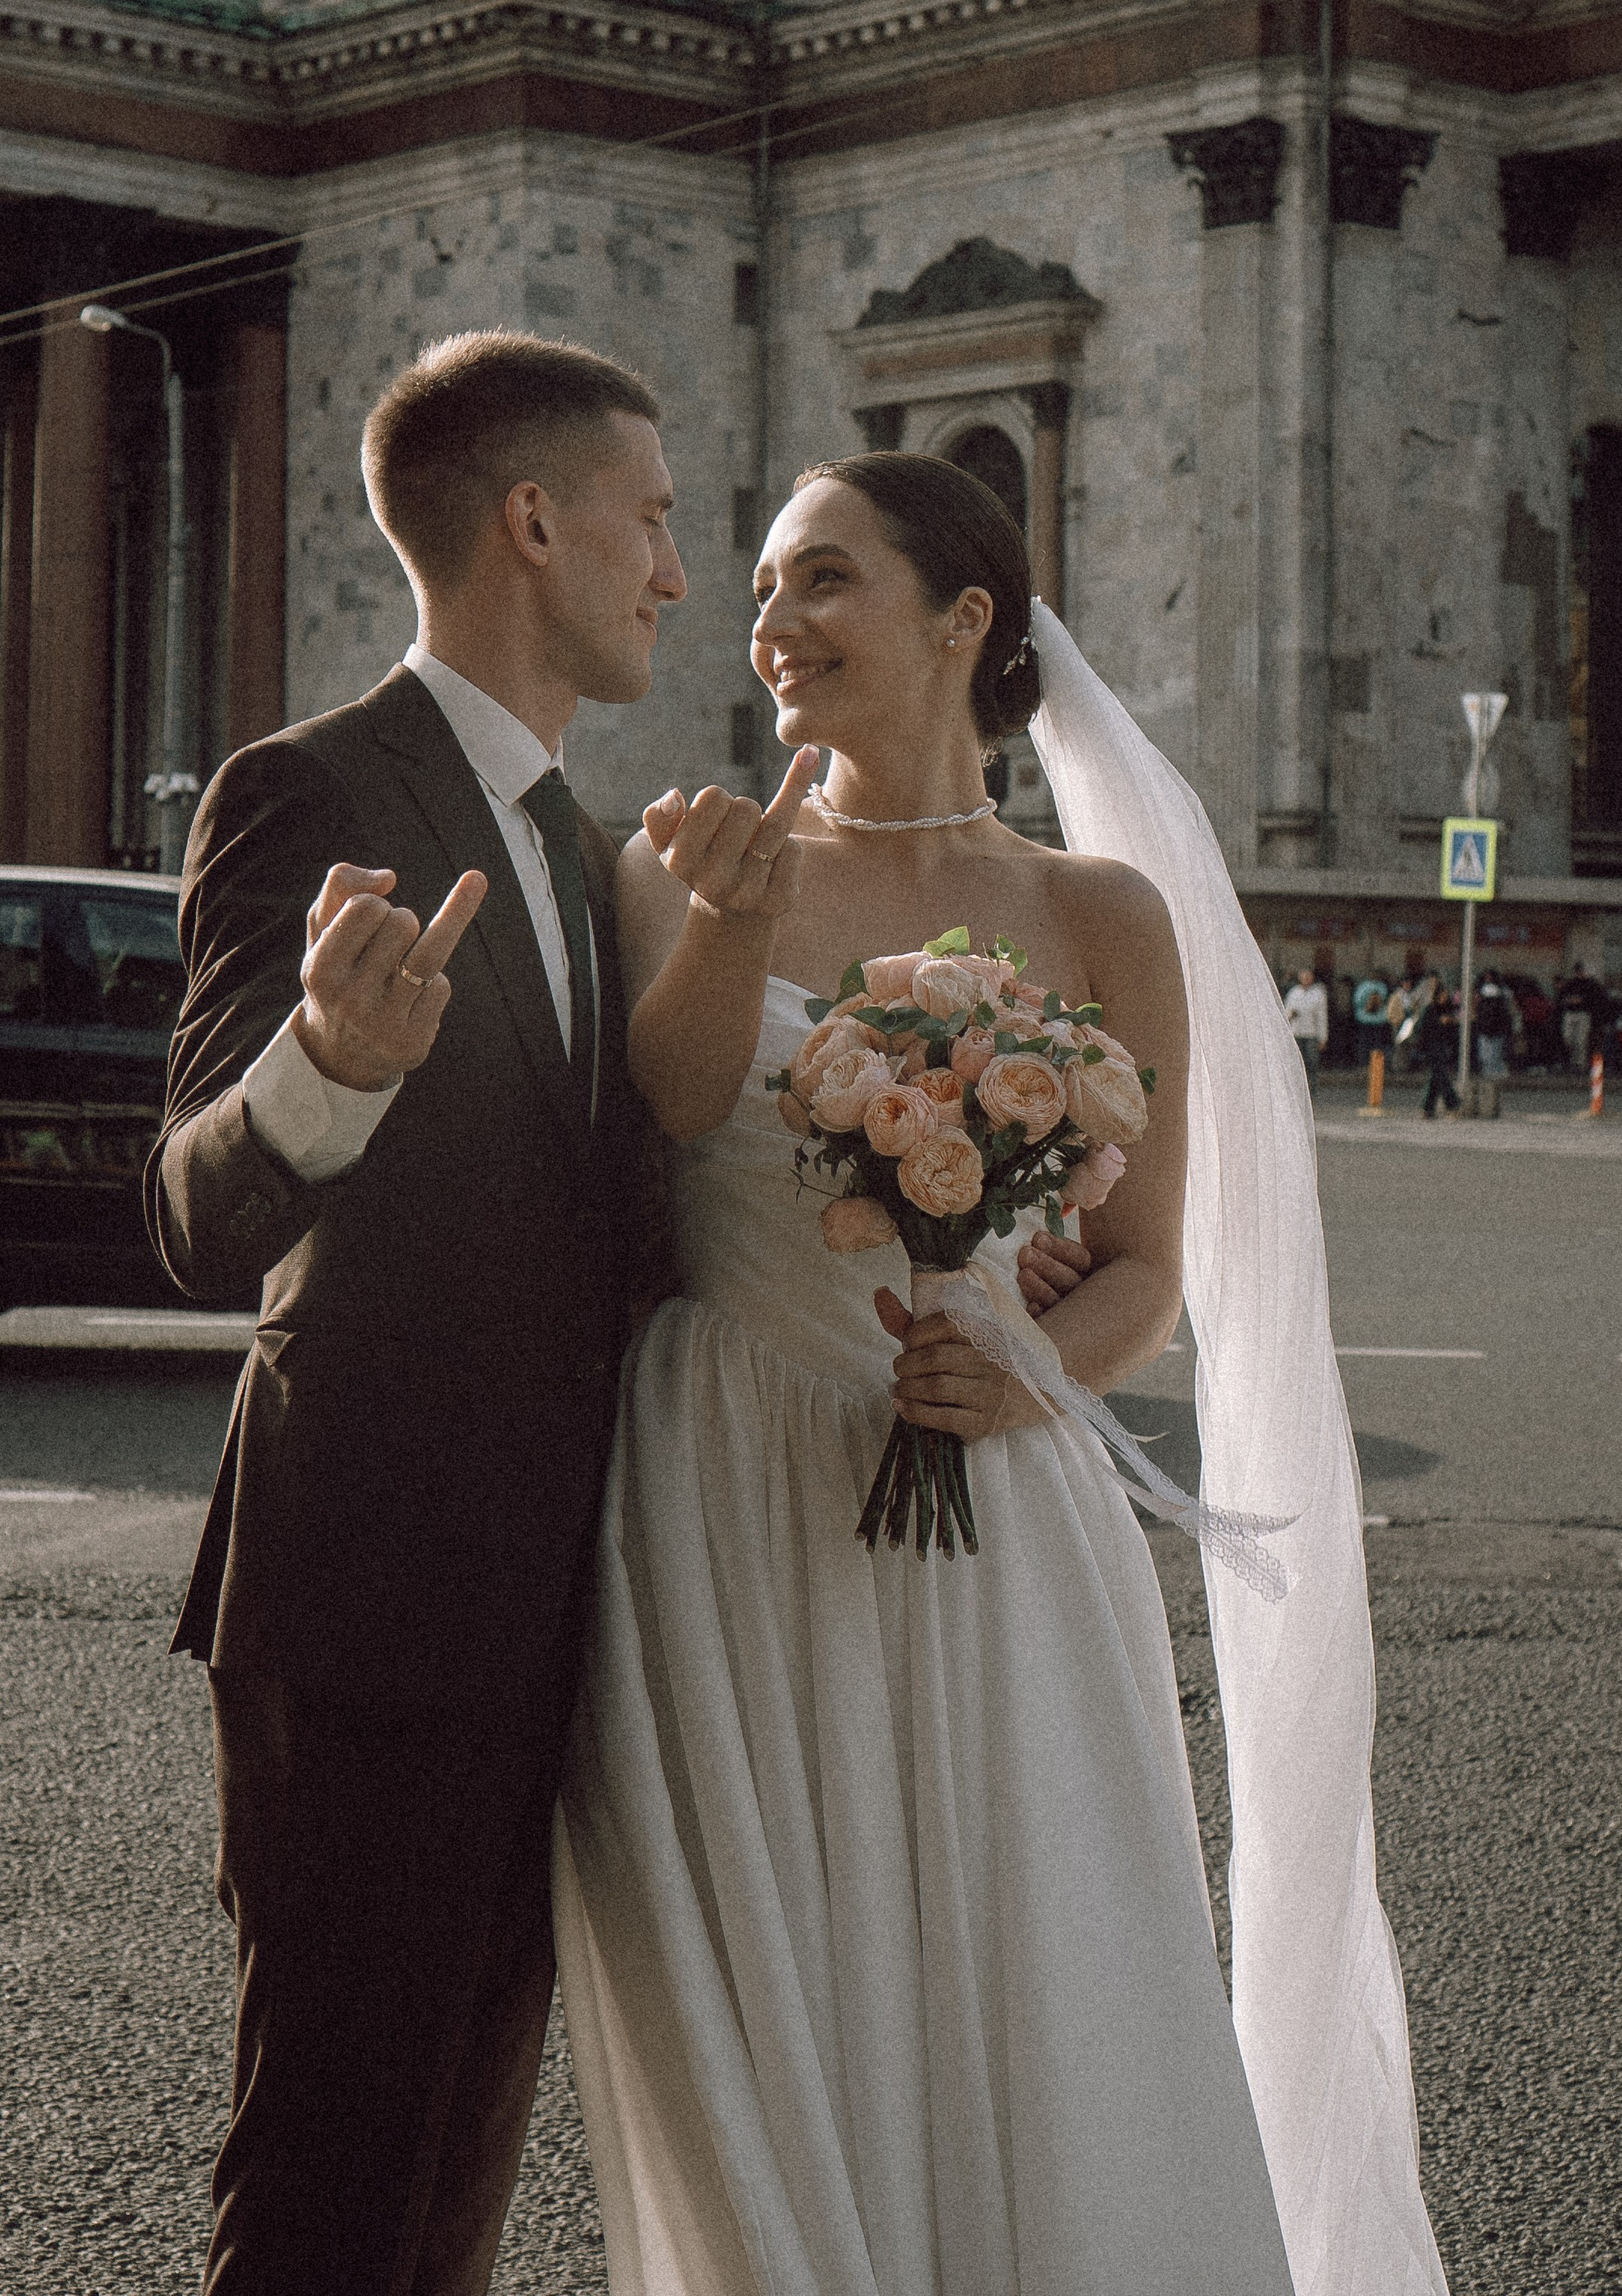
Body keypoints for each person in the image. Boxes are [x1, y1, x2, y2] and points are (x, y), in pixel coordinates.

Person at [557, 452, 1448, 2296]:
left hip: (999, 1509)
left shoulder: (1099, 910)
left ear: (963, 618)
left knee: (1033, 1977)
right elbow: (670, 1115)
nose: (769, 622)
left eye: (821, 579)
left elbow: (1145, 1276)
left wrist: (1028, 1367)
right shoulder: (684, 860)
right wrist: (727, 922)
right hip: (732, 1489)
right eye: (760, 587)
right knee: (779, 2007)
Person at [149, 332, 686, 2296]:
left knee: (450, 2188)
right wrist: (322, 1069)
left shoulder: (580, 842)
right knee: (330, 2185)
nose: (673, 573)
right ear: (531, 523)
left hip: (557, 1618)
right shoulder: (307, 787)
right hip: (367, 1608)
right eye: (649, 519)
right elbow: (191, 1214)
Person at [1282, 960, 1329, 1100]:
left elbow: (1322, 1017)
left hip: (1311, 1034)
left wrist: (1323, 1037)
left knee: (1312, 1063)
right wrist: (1291, 1015)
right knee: (1296, 1063)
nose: (1306, 980)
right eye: (1304, 977)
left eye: (1308, 977)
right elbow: (1286, 1012)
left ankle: (1312, 1089)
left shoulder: (1318, 994)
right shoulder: (1294, 993)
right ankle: (1297, 1090)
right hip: (1296, 1032)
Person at [1416, 980, 1462, 1118]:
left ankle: (1428, 1109)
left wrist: (1450, 1022)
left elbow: (1453, 1031)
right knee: (1440, 1077)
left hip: (1443, 1048)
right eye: (1442, 996)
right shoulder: (1430, 1010)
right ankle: (1453, 1105)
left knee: (1436, 1078)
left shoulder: (1448, 1010)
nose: (1444, 999)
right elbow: (1425, 1029)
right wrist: (1439, 1023)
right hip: (1432, 1048)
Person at [1472, 968, 1513, 1118]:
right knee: (1488, 1057)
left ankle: (1490, 1088)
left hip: (1493, 1032)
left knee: (1491, 1058)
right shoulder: (1494, 1001)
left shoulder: (1496, 1000)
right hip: (1489, 1031)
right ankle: (1490, 1087)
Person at [1557, 962, 1598, 1076]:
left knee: (1581, 1040)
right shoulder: (1570, 984)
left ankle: (1580, 1064)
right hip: (1570, 1013)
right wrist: (1570, 1000)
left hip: (1583, 1013)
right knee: (1568, 1038)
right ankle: (1573, 1060)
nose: (1579, 973)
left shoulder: (1589, 984)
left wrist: (1582, 1001)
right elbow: (1562, 997)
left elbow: (1593, 999)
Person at [1353, 967, 1391, 1069]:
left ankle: (1375, 1065)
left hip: (1375, 1020)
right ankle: (1365, 1064)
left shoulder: (1380, 986)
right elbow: (1357, 1001)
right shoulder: (1365, 986)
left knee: (1375, 1044)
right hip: (1367, 1020)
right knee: (1367, 1043)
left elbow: (1386, 1002)